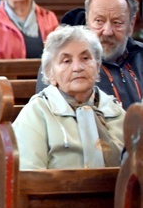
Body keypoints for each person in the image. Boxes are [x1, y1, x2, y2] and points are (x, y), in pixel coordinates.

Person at [13, 26, 124, 170]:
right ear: (50, 73)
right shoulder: (36, 113)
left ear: (97, 67)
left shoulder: (116, 111)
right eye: (66, 61)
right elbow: (27, 178)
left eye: (85, 58)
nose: (77, 67)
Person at [36, 0, 143, 109]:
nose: (107, 31)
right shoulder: (61, 61)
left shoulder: (140, 55)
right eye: (99, 21)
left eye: (117, 23)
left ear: (131, 25)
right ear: (87, 20)